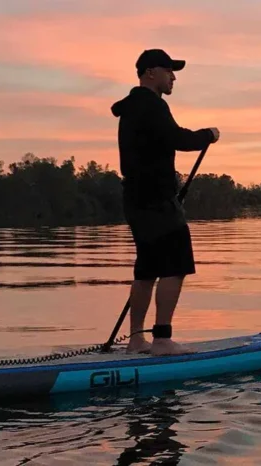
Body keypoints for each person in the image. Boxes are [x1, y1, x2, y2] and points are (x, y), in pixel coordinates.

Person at [110, 49, 220, 355]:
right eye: (169, 70)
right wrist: (208, 135)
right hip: (157, 202)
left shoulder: (132, 107)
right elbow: (178, 139)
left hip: (135, 200)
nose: (173, 77)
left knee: (146, 270)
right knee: (176, 266)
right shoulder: (152, 105)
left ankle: (135, 340)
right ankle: (161, 339)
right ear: (150, 73)